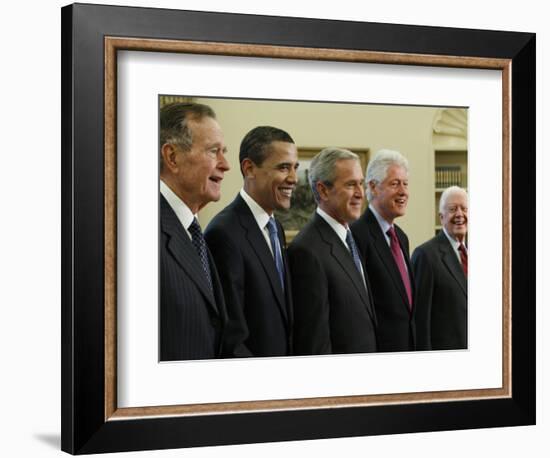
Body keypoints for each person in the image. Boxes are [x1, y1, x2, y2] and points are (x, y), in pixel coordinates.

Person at [205, 126, 298, 357]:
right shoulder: (224, 233)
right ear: (249, 169)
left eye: (295, 167)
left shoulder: (275, 227)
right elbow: (231, 338)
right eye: (283, 167)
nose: (294, 179)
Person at [287, 147, 377, 355]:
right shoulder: (306, 251)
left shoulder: (349, 237)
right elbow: (314, 342)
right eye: (350, 185)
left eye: (361, 184)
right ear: (323, 190)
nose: (360, 193)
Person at [159, 102, 230, 361]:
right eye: (214, 152)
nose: (225, 165)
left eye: (224, 152)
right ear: (173, 157)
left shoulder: (194, 232)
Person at [350, 149, 415, 352]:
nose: (403, 191)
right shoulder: (356, 235)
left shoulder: (401, 237)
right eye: (395, 183)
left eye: (405, 183)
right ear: (373, 187)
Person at [411, 186, 468, 350]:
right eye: (452, 209)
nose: (459, 214)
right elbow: (420, 321)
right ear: (441, 217)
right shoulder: (425, 255)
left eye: (464, 209)